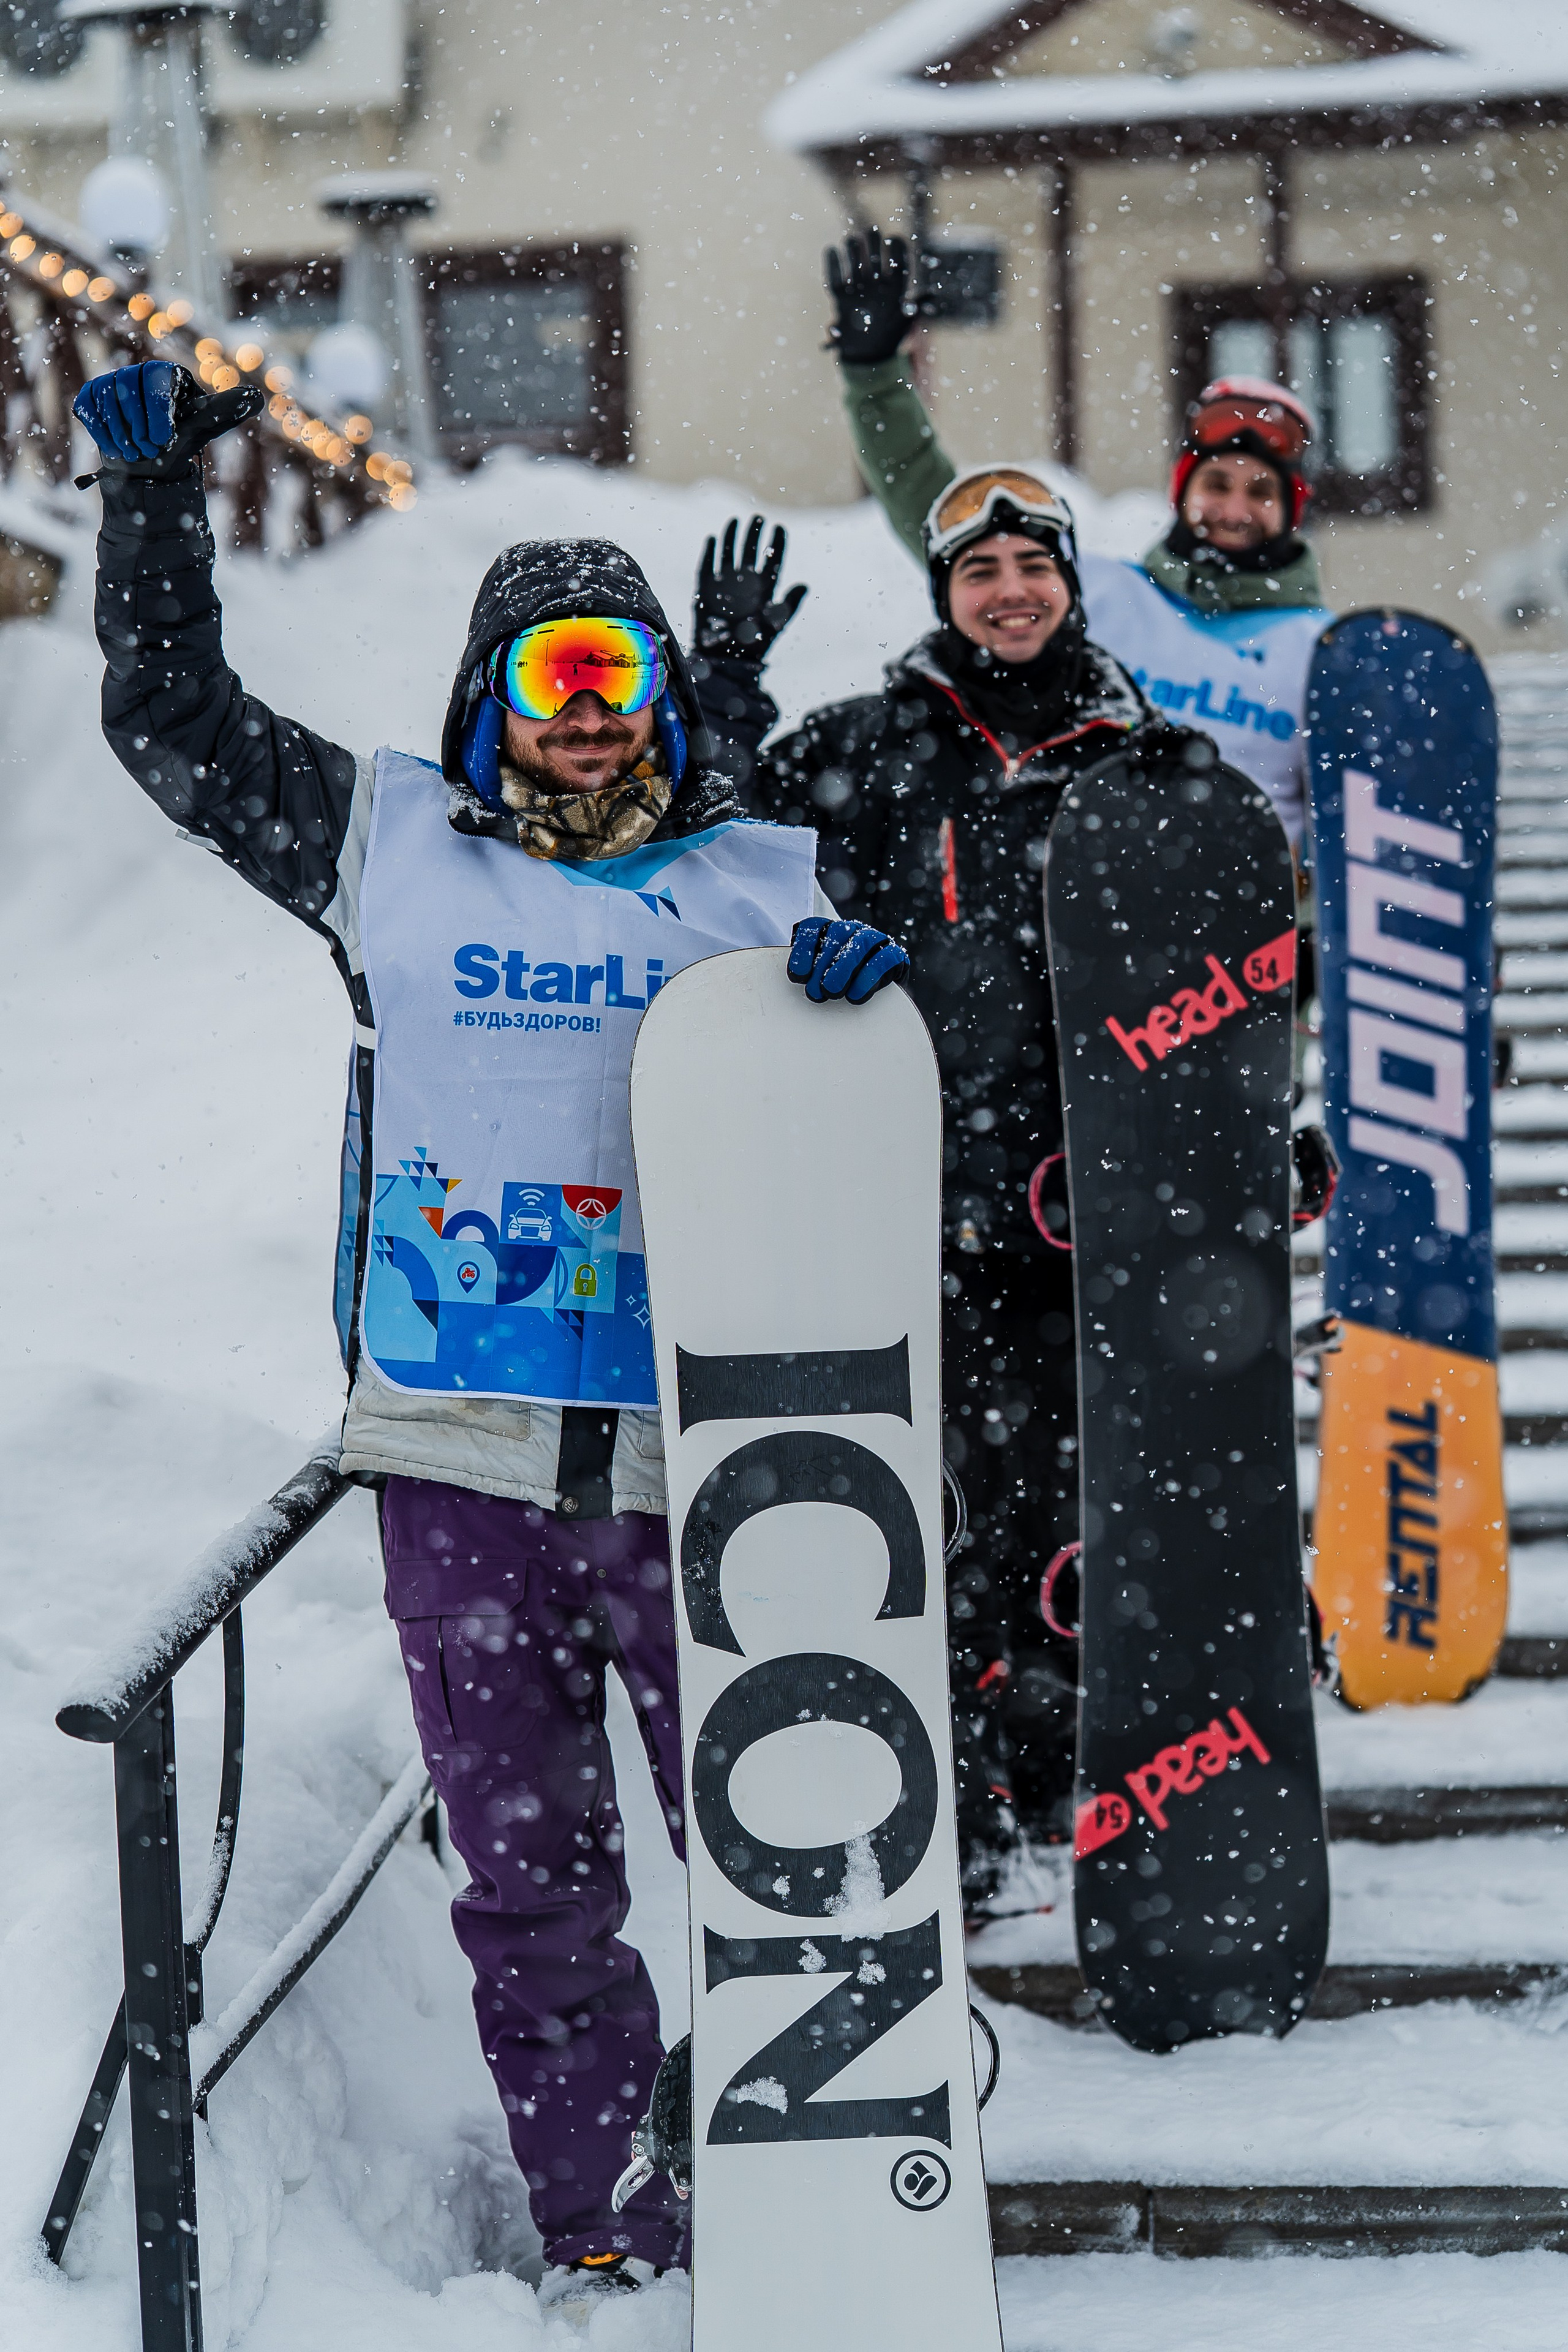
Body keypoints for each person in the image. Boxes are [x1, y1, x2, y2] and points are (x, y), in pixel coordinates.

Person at [74, 360, 908, 2313]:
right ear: (484, 703)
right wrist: (149, 513)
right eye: (546, 676)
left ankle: (837, 2157)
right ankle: (605, 2210)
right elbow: (174, 724)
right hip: (461, 1462)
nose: (588, 707)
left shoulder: (760, 880)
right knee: (535, 1880)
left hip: (706, 1455)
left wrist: (866, 1005)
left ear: (666, 697)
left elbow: (880, 1118)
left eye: (615, 667)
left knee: (782, 1838)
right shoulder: (388, 849)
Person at [688, 467, 1246, 1911]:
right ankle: (968, 1800)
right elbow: (706, 860)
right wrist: (725, 693)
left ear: (1069, 578)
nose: (1007, 590)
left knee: (1090, 1505)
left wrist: (1264, 1145)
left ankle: (1097, 1767)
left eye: (1029, 564)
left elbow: (1243, 984)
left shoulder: (1156, 766)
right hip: (906, 1207)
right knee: (926, 1511)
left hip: (1097, 1221)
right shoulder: (868, 751)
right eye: (976, 570)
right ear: (942, 595)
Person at [820, 230, 1332, 851]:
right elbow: (941, 515)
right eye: (1217, 484)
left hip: (1252, 928)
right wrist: (875, 378)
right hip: (1088, 913)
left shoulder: (1320, 651)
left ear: (1291, 510)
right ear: (1181, 493)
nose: (1234, 509)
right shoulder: (1097, 595)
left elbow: (1351, 835)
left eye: (1260, 492)